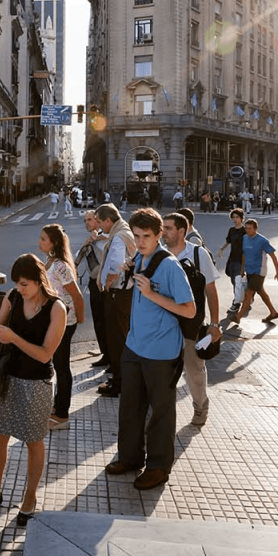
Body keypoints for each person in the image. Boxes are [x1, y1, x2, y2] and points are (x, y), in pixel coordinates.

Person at [0, 254, 66, 526]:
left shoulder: (56, 308)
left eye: (24, 284)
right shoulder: (12, 296)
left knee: (34, 441)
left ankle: (30, 497)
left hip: (36, 383)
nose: (20, 289)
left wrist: (13, 338)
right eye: (17, 285)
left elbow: (46, 355)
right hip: (7, 378)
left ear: (38, 281)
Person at [104, 208, 195, 490]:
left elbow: (190, 310)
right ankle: (130, 457)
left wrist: (152, 294)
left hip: (162, 351)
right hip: (134, 345)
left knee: (160, 413)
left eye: (147, 236)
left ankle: (158, 467)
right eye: (137, 235)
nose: (141, 241)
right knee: (130, 408)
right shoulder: (140, 259)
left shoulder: (169, 266)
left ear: (159, 236)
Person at [161, 212, 220, 426]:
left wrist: (214, 324)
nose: (163, 232)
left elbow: (211, 291)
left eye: (168, 228)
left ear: (181, 231)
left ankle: (200, 407)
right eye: (162, 227)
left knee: (194, 371)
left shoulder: (198, 254)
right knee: (163, 375)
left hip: (190, 326)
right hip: (164, 327)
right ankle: (163, 415)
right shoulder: (160, 254)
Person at [39, 224, 84, 430]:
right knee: (56, 364)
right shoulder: (49, 262)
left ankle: (62, 416)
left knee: (62, 366)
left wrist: (78, 320)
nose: (39, 242)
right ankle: (57, 407)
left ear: (54, 243)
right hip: (55, 321)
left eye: (43, 239)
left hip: (65, 322)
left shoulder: (60, 266)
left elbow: (77, 296)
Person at [93, 204, 137, 398]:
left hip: (117, 294)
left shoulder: (119, 236)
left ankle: (119, 382)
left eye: (100, 222)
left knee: (117, 338)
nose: (100, 227)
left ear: (109, 220)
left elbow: (117, 263)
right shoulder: (122, 231)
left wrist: (109, 281)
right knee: (120, 336)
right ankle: (120, 378)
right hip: (122, 293)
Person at [76, 211, 110, 366]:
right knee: (98, 320)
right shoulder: (92, 238)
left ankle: (111, 356)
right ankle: (105, 354)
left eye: (89, 219)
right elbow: (78, 256)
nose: (86, 223)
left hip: (105, 284)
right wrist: (87, 242)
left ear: (98, 220)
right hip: (93, 282)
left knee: (106, 320)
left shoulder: (106, 237)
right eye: (84, 220)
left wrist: (98, 240)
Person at [233, 218, 278, 322]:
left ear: (255, 229)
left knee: (248, 294)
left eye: (250, 229)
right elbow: (244, 254)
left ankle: (238, 317)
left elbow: (273, 256)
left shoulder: (262, 241)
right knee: (261, 292)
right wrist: (242, 270)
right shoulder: (245, 238)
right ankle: (273, 312)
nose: (247, 230)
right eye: (246, 228)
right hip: (249, 271)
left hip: (259, 271)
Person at [217, 209, 248, 317]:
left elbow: (247, 247)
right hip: (232, 259)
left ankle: (236, 303)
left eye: (237, 217)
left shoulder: (245, 231)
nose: (235, 219)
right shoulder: (231, 230)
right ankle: (246, 298)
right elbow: (228, 241)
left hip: (241, 260)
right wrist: (221, 249)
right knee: (234, 281)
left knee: (237, 282)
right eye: (233, 217)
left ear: (241, 218)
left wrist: (244, 265)